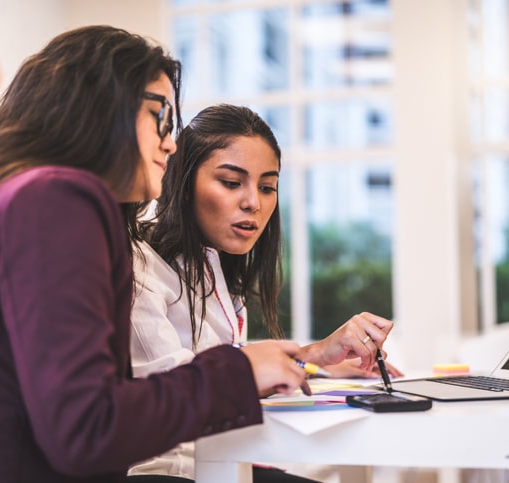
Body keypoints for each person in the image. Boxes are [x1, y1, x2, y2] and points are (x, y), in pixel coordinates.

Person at [0, 26, 310, 483]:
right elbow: (85, 428)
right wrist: (238, 373)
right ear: (97, 107)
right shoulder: (58, 200)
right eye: (160, 116)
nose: (170, 142)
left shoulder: (7, 198)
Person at [126, 104, 402, 481]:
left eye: (267, 187)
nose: (254, 202)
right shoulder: (140, 266)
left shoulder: (211, 268)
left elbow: (226, 370)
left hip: (221, 462)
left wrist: (315, 360)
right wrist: (306, 360)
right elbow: (181, 393)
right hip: (168, 473)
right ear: (182, 180)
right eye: (230, 182)